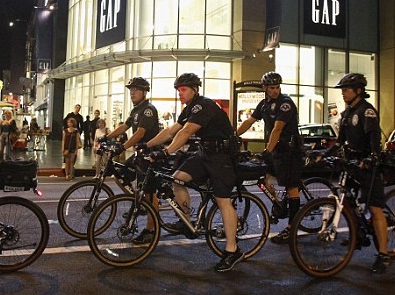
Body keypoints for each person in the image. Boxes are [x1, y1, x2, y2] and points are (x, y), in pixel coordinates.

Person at [143, 73, 243, 272]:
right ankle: (186, 221)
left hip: (221, 156)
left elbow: (186, 132)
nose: (180, 94)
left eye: (183, 90)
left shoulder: (203, 105)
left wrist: (165, 152)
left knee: (223, 200)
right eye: (178, 90)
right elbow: (172, 130)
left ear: (195, 90)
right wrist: (147, 144)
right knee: (178, 179)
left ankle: (232, 251)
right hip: (204, 154)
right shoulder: (189, 108)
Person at [327, 73, 389, 274]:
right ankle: (357, 235)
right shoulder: (346, 113)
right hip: (352, 164)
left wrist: (372, 158)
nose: (343, 93)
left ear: (358, 91)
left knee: (375, 208)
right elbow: (339, 142)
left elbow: (374, 140)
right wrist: (322, 154)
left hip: (368, 165)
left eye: (346, 89)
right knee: (346, 200)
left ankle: (383, 254)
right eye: (343, 90)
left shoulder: (367, 111)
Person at [236, 71, 304, 244]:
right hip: (276, 151)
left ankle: (291, 229)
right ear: (264, 88)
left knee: (291, 188)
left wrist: (267, 150)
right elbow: (249, 121)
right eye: (272, 87)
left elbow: (277, 129)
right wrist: (232, 135)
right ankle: (279, 204)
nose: (275, 90)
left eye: (277, 87)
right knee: (262, 177)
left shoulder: (285, 103)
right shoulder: (264, 104)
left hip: (289, 151)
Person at [105, 77, 160, 243]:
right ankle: (139, 202)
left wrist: (123, 147)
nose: (132, 92)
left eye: (136, 90)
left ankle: (151, 230)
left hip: (149, 155)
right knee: (119, 176)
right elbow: (125, 127)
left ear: (144, 92)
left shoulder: (148, 110)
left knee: (150, 193)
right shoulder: (136, 110)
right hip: (139, 154)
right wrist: (106, 138)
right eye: (131, 90)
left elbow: (140, 133)